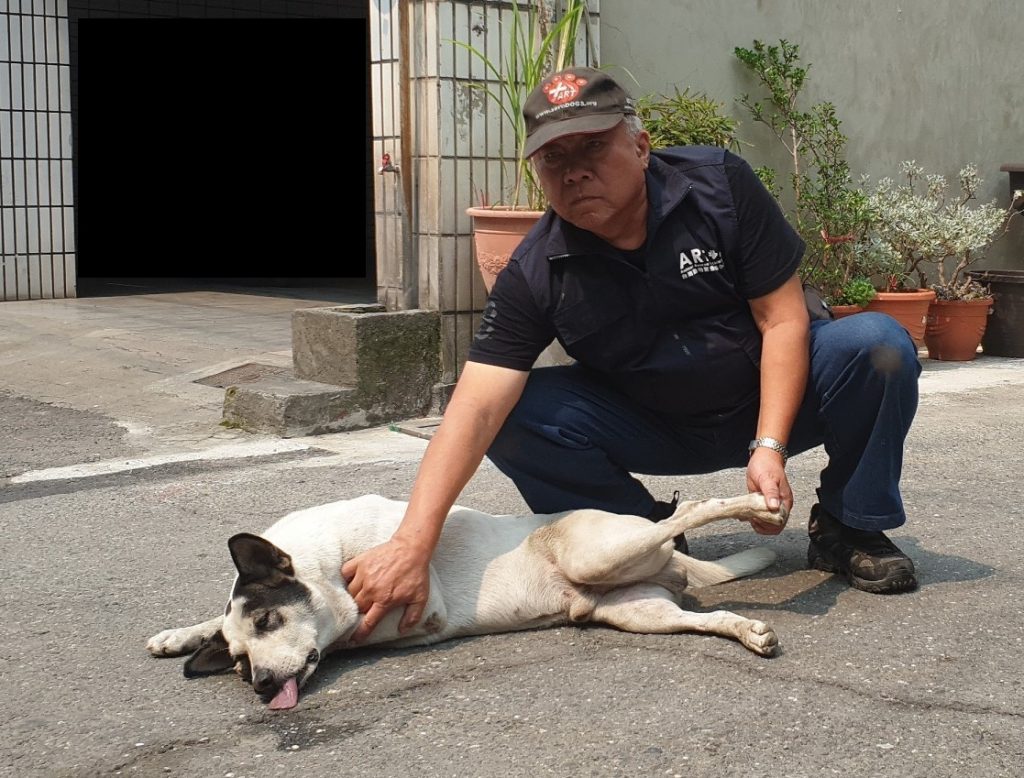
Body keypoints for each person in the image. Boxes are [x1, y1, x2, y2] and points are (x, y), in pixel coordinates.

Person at [342, 66, 921, 642]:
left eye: (593, 147)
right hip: (654, 422)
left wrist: (768, 446)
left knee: (877, 346)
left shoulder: (719, 187)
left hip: (774, 398)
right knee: (515, 412)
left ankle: (849, 525)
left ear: (640, 146)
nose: (575, 173)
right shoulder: (536, 270)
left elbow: (783, 318)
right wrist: (411, 545)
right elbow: (474, 408)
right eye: (554, 160)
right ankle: (643, 538)